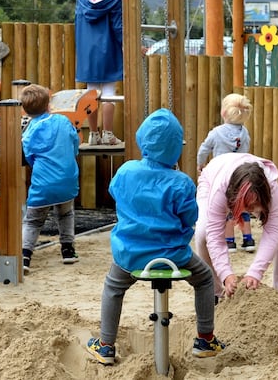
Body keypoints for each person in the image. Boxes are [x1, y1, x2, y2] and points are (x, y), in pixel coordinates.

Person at [86, 109, 225, 365]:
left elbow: (114, 192)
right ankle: (205, 339)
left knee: (114, 288)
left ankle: (105, 345)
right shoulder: (181, 182)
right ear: (175, 148)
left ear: (142, 140)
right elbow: (189, 217)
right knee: (205, 278)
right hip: (173, 255)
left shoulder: (127, 171)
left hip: (130, 254)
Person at [195, 152, 278, 298]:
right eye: (248, 206)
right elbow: (214, 235)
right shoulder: (221, 190)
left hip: (255, 185)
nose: (251, 211)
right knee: (202, 234)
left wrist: (255, 273)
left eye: (255, 206)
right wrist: (226, 274)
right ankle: (215, 296)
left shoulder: (270, 185)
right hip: (214, 177)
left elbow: (273, 230)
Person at [19, 84, 80, 273]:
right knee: (66, 213)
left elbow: (27, 156)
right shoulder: (63, 121)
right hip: (67, 181)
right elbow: (74, 142)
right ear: (48, 105)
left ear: (25, 110)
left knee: (33, 221)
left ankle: (24, 255)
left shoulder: (29, 131)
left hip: (43, 185)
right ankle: (68, 250)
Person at [196, 93, 256, 253]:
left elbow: (204, 149)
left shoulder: (216, 132)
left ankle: (229, 242)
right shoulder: (244, 133)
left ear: (223, 113)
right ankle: (248, 239)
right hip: (240, 174)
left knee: (226, 208)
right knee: (242, 206)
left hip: (221, 175)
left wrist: (200, 163)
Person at [75, 0, 123, 146]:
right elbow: (119, 27)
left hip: (87, 53)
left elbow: (78, 25)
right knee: (109, 93)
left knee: (91, 93)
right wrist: (130, 46)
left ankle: (93, 134)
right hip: (108, 50)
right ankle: (108, 134)